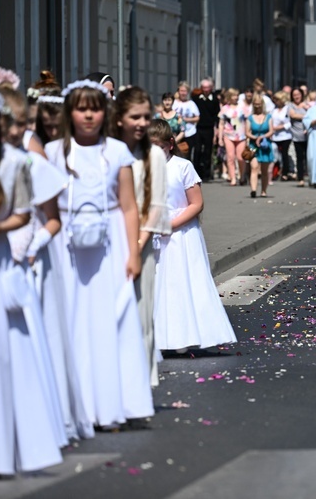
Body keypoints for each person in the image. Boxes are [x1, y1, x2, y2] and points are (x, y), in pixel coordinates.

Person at [45, 78, 153, 431]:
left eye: (94, 108)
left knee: (110, 321)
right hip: (66, 246)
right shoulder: (52, 153)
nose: (88, 115)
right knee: (71, 322)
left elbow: (128, 207)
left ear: (104, 112)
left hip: (109, 246)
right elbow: (45, 209)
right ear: (70, 113)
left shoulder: (116, 152)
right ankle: (72, 408)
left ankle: (112, 406)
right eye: (81, 109)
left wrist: (134, 253)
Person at [0, 83, 66, 475]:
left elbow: (35, 214)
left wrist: (7, 233)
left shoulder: (19, 164)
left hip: (8, 259)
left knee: (11, 344)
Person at [147, 119, 237, 352]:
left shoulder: (182, 166)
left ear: (170, 144)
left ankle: (186, 336)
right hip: (153, 233)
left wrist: (170, 224)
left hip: (181, 233)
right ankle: (161, 338)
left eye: (159, 147)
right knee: (158, 287)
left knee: (181, 284)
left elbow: (196, 204)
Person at [111, 87, 171, 388]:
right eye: (135, 116)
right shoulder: (106, 149)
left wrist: (136, 245)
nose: (141, 122)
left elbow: (156, 208)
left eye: (147, 116)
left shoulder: (154, 156)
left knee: (141, 314)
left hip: (140, 245)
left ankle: (141, 384)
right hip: (108, 244)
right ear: (119, 118)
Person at [217, 87, 248, 186]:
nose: (236, 97)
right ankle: (233, 178)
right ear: (229, 97)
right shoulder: (225, 109)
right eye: (234, 95)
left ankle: (242, 175)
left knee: (240, 157)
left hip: (241, 135)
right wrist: (220, 138)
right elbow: (221, 124)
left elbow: (247, 121)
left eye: (237, 95)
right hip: (228, 135)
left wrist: (248, 134)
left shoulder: (242, 107)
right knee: (230, 157)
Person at [245, 94, 275, 197]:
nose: (257, 106)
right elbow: (247, 132)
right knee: (254, 167)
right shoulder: (250, 118)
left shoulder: (268, 117)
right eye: (255, 104)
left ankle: (263, 191)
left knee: (264, 170)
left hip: (265, 145)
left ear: (262, 104)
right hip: (253, 146)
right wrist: (254, 138)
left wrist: (262, 137)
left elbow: (271, 131)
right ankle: (253, 190)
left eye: (259, 104)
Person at [191, 77, 220, 182]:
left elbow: (217, 115)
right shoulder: (196, 99)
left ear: (211, 88)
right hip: (198, 128)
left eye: (208, 88)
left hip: (209, 128)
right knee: (197, 151)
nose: (206, 90)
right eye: (204, 88)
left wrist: (216, 129)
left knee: (208, 151)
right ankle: (197, 173)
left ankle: (207, 174)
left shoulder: (215, 99)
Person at [172, 81, 200, 172]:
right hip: (176, 133)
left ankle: (187, 172)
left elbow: (197, 118)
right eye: (181, 90)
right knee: (175, 153)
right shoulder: (174, 103)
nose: (183, 93)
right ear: (178, 91)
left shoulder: (191, 104)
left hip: (189, 133)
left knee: (186, 154)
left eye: (185, 91)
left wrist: (185, 119)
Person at [289, 87, 310, 187]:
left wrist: (306, 112)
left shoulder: (307, 105)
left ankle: (310, 177)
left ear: (302, 95)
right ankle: (300, 178)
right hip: (296, 136)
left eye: (298, 94)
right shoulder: (290, 106)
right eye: (294, 95)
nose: (296, 96)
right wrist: (305, 115)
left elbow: (312, 115)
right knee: (299, 158)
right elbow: (293, 115)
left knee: (308, 157)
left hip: (307, 135)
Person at [271, 91, 293, 181]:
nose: (276, 101)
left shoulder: (287, 109)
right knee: (275, 153)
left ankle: (285, 173)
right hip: (275, 136)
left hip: (285, 136)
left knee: (284, 154)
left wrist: (280, 127)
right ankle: (275, 172)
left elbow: (289, 123)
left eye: (278, 100)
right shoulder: (274, 110)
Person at [155, 92, 186, 156]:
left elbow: (182, 131)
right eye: (165, 100)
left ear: (173, 101)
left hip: (176, 146)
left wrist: (174, 141)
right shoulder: (158, 116)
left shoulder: (178, 116)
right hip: (161, 147)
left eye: (169, 100)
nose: (167, 102)